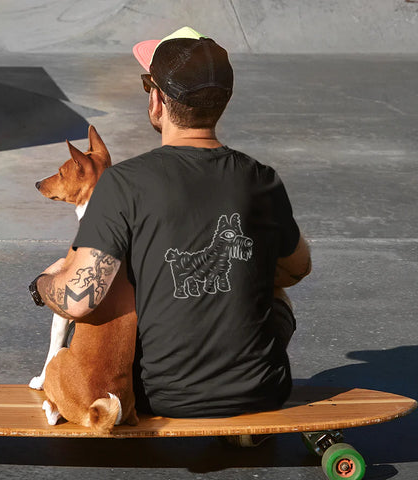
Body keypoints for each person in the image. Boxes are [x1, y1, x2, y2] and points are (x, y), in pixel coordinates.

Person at [29, 26, 311, 419]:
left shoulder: (123, 184)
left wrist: (41, 286)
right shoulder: (261, 178)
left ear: (157, 100)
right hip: (263, 391)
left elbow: (79, 299)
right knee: (278, 295)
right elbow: (298, 268)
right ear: (221, 104)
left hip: (158, 397)